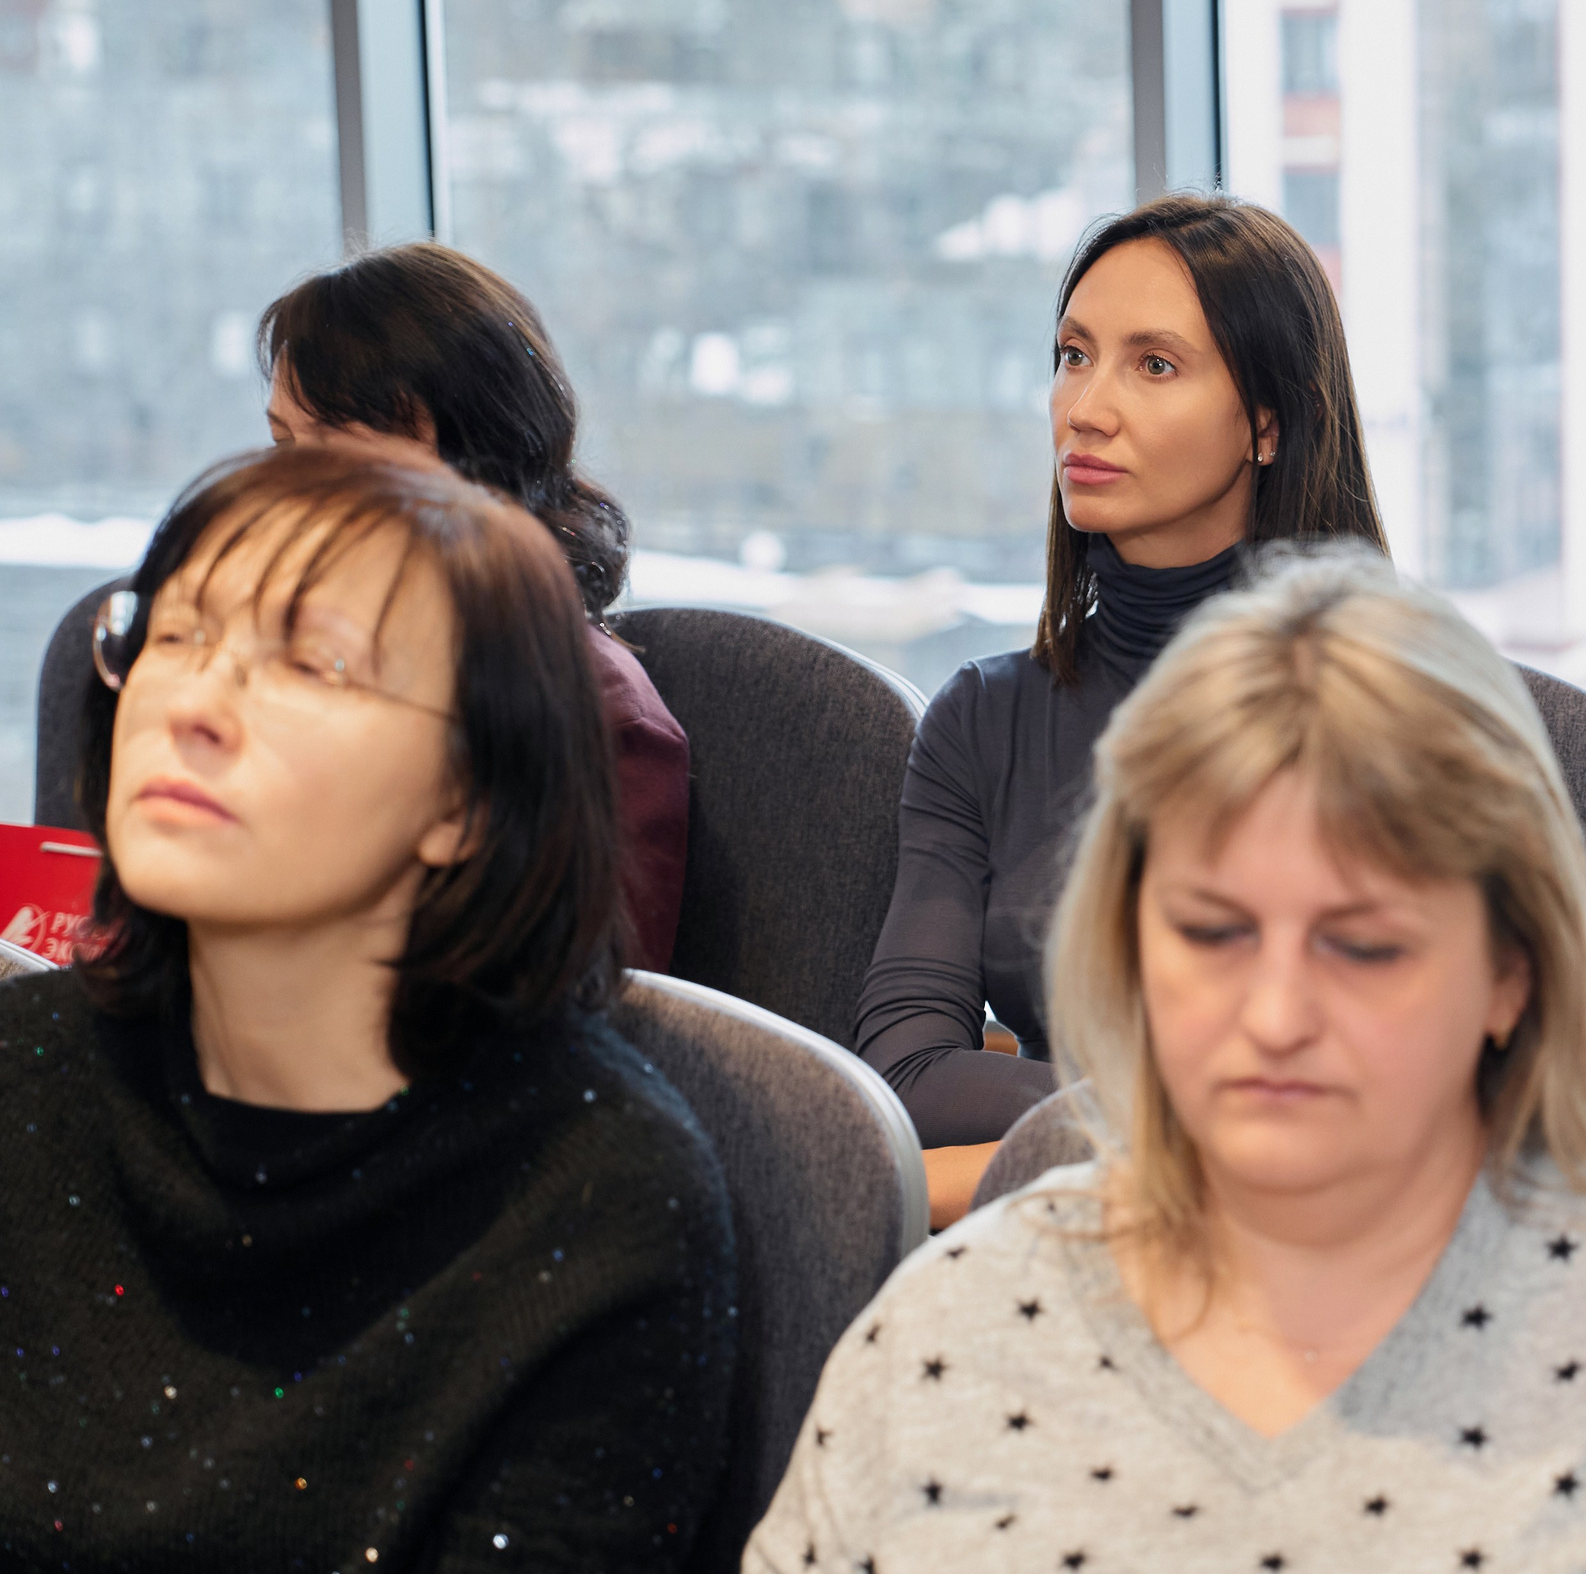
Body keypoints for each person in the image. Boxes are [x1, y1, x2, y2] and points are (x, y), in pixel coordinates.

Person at [753, 553, 1586, 1574]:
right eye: (1211, 932)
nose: (1274, 1014)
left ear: (1510, 972)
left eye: (1363, 946)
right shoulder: (952, 1334)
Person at [0, 445, 737, 1569]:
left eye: (312, 664)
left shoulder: (594, 1201)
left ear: (467, 801)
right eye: (180, 632)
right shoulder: (23, 1076)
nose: (193, 701)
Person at [853, 193, 1389, 1224]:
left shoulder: (1372, 707)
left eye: (1154, 365)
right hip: (1076, 1234)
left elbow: (1367, 1093)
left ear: (1267, 425)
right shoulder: (982, 717)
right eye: (1072, 355)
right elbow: (907, 1075)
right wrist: (1162, 1130)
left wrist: (992, 1169)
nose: (1086, 407)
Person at [259, 242, 690, 972]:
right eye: (281, 443)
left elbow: (572, 1026)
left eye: (332, 445)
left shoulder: (588, 709)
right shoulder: (294, 652)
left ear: (468, 457)